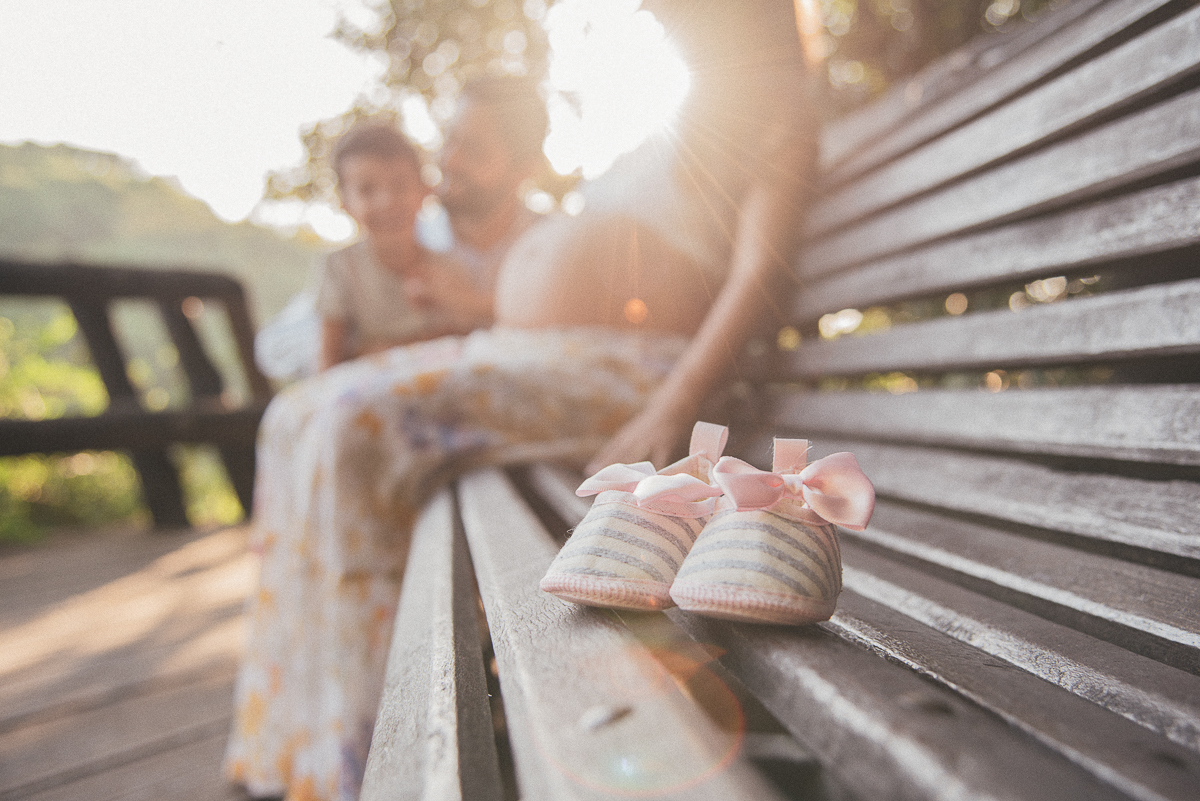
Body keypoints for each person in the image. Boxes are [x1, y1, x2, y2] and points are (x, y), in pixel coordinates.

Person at [225, 2, 817, 798]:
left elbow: (755, 274)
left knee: (351, 426)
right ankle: (291, 743)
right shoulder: (683, 115)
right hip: (539, 352)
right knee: (297, 413)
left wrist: (671, 404)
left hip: (632, 369)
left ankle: (365, 767)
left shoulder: (774, 113)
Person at [316, 123, 491, 371]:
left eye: (399, 185)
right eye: (366, 190)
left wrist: (375, 350)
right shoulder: (341, 267)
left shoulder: (450, 267)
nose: (387, 201)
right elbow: (329, 362)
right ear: (345, 204)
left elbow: (469, 343)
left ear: (424, 191)